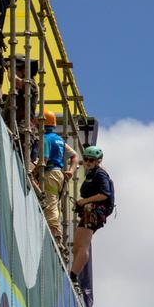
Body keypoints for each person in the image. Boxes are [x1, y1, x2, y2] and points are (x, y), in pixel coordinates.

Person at [70, 145, 114, 284]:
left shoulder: (100, 174)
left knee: (82, 245)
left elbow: (104, 194)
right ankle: (73, 273)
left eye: (91, 160)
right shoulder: (92, 174)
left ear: (98, 161)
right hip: (90, 211)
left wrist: (84, 201)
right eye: (86, 159)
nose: (88, 162)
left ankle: (73, 276)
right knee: (77, 245)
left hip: (94, 211)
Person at [36, 110, 78, 253]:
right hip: (59, 174)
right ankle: (57, 233)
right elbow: (75, 156)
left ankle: (56, 238)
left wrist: (33, 172)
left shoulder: (46, 138)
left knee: (50, 204)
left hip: (50, 174)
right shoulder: (59, 139)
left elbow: (44, 160)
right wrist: (71, 172)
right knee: (55, 204)